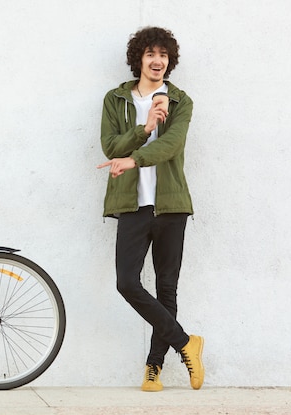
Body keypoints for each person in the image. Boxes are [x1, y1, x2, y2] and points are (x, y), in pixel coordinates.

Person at [97, 26, 204, 392]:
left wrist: (135, 158)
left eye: (164, 55)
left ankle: (153, 368)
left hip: (171, 205)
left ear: (169, 61)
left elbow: (171, 146)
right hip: (133, 205)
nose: (158, 61)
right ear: (139, 59)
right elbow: (111, 147)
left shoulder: (180, 101)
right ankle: (186, 342)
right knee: (127, 282)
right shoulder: (116, 99)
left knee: (166, 287)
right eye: (150, 54)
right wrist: (144, 129)